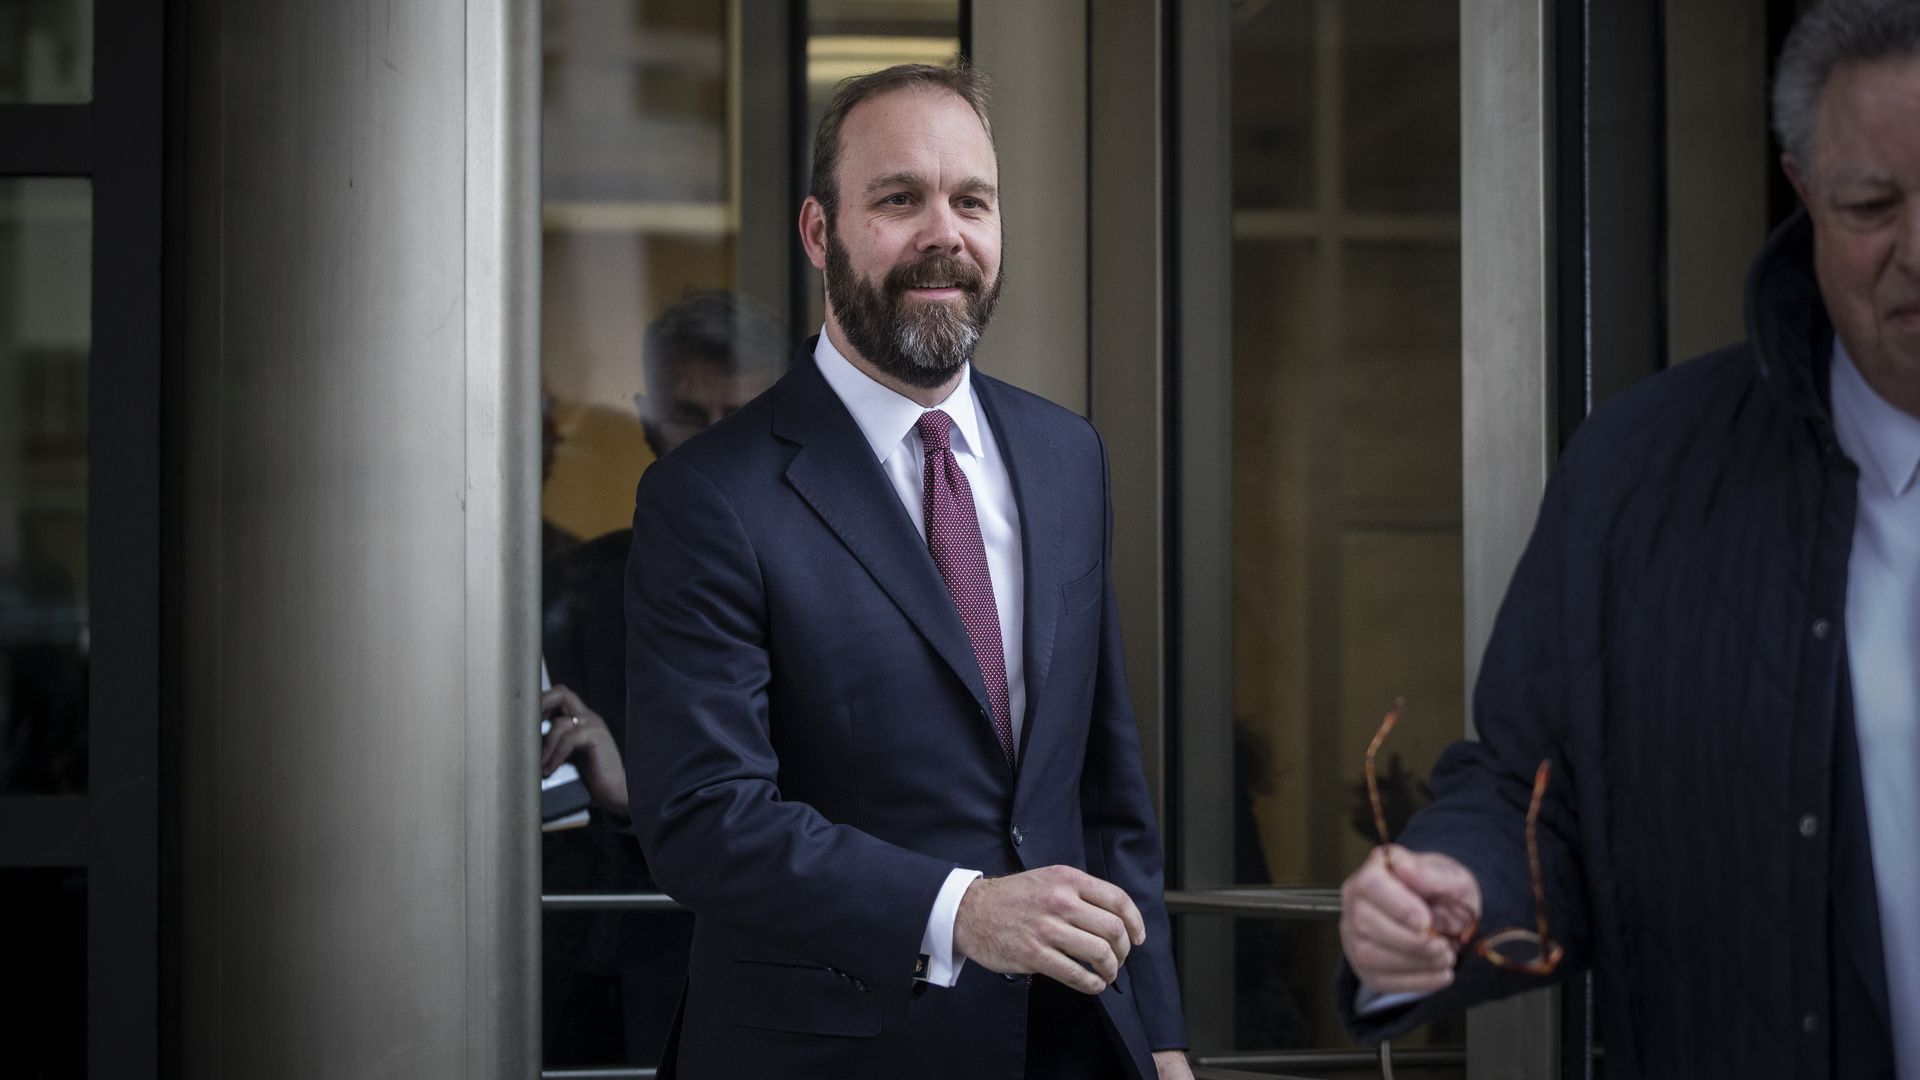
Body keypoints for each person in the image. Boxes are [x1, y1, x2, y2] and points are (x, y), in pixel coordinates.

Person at [1334, 2, 1920, 1077]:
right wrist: (1447, 897)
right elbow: (1530, 791)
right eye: (1876, 205)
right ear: (1802, 192)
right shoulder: (1643, 474)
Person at [624, 64, 1192, 1079]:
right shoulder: (710, 495)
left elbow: (1104, 796)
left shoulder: (1068, 458)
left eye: (971, 200)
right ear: (818, 234)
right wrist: (960, 912)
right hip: (824, 1054)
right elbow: (704, 817)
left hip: (1069, 1051)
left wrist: (1161, 1037)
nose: (945, 233)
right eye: (898, 199)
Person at [538, 290, 786, 1067]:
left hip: (729, 992)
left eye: (738, 418)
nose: (713, 445)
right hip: (559, 981)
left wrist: (632, 795)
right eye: (689, 417)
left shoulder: (833, 601)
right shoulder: (564, 586)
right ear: (647, 419)